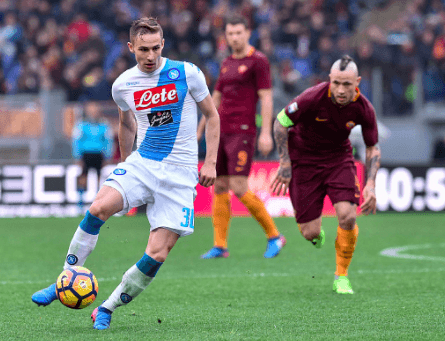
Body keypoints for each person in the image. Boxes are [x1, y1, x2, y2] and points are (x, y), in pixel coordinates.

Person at [31, 17, 220, 330]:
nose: (150, 55)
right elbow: (127, 123)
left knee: (158, 253)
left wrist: (210, 161)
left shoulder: (187, 73)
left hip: (181, 174)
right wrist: (125, 161)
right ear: (131, 47)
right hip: (143, 163)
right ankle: (66, 277)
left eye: (156, 48)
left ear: (163, 45)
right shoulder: (123, 84)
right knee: (97, 208)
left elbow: (212, 117)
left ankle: (107, 307)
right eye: (143, 49)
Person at [270, 55, 381, 294]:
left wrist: (370, 183)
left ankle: (341, 275)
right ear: (330, 80)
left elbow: (372, 147)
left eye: (347, 84)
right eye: (337, 83)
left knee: (348, 216)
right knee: (309, 232)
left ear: (357, 82)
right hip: (303, 162)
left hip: (338, 160)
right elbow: (280, 122)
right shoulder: (312, 97)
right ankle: (315, 234)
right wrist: (285, 163)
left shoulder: (364, 108)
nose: (341, 90)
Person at [196, 15, 285, 259]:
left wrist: (266, 132)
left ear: (247, 33)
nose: (234, 37)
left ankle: (275, 236)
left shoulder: (258, 61)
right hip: (220, 132)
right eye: (230, 33)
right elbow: (215, 99)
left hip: (243, 131)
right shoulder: (226, 63)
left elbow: (266, 97)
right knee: (220, 186)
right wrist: (200, 128)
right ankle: (220, 245)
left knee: (238, 185)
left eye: (238, 32)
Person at [72, 101, 114, 208]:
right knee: (83, 178)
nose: (93, 112)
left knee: (99, 178)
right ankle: (80, 203)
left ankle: (97, 203)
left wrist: (108, 155)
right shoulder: (81, 125)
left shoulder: (104, 125)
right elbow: (77, 140)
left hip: (99, 154)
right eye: (91, 110)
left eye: (95, 110)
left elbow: (108, 141)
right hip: (85, 154)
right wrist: (77, 156)